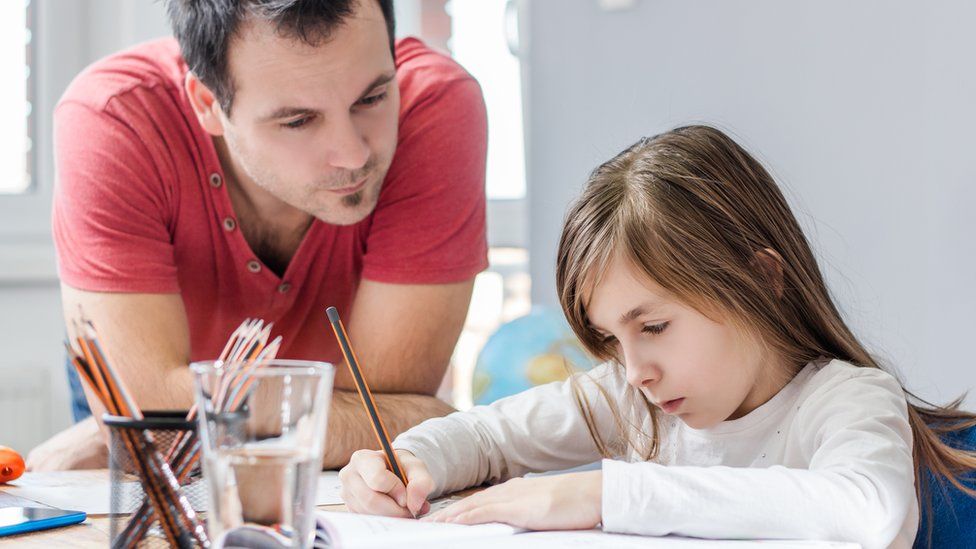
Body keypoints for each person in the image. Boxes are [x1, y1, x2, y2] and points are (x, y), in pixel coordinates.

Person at [339, 125, 976, 548]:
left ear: (761, 279)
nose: (635, 367)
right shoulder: (634, 399)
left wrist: (600, 491)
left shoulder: (848, 400)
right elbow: (486, 435)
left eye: (653, 326)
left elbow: (864, 509)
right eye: (612, 339)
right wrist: (411, 460)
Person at [28, 0, 487, 471]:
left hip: (266, 441)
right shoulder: (113, 115)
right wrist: (140, 422)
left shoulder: (434, 102)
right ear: (207, 104)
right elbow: (149, 430)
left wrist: (173, 413)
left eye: (371, 99)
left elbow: (391, 410)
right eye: (297, 121)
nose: (352, 154)